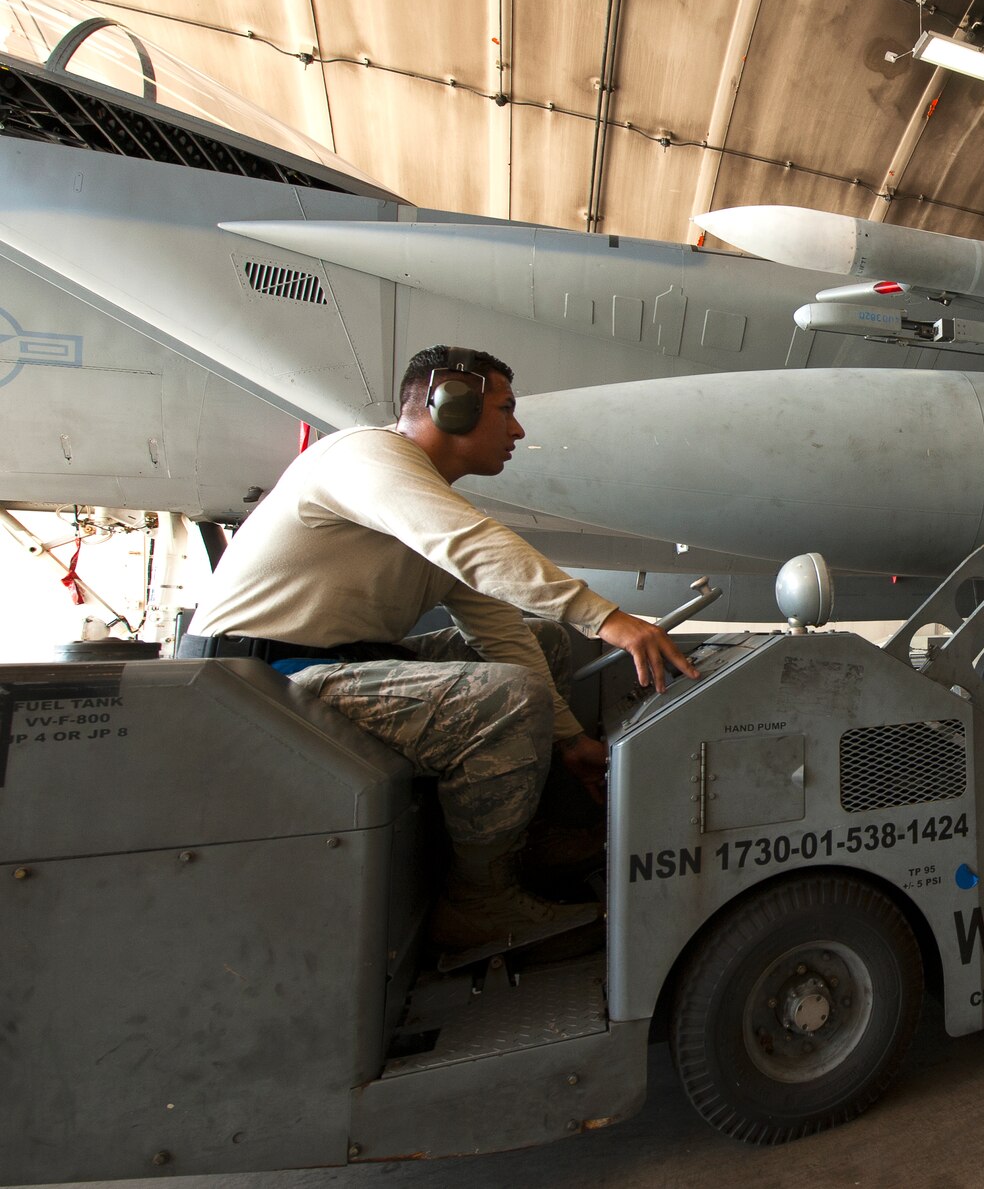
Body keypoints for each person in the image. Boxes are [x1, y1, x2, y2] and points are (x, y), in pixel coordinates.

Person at [179, 345, 695, 956]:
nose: (517, 428)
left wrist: (568, 740)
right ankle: (479, 902)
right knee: (510, 696)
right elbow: (469, 545)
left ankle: (527, 835)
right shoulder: (365, 458)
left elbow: (501, 634)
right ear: (451, 406)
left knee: (540, 643)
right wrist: (609, 620)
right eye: (505, 409)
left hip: (335, 665)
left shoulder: (424, 502)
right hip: (257, 684)